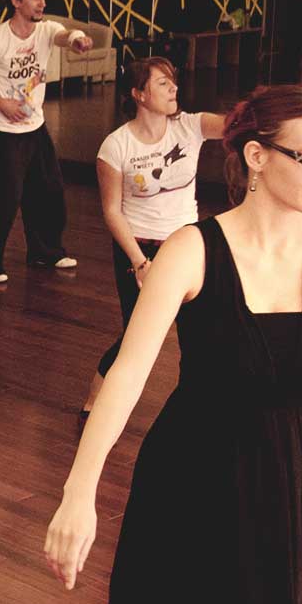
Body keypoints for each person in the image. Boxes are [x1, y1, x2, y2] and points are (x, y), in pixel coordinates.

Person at [44, 84, 302, 604]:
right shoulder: (192, 251)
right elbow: (127, 375)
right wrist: (78, 492)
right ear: (257, 156)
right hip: (202, 480)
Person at [80, 57, 225, 415]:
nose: (174, 87)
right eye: (162, 83)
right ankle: (94, 401)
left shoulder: (189, 126)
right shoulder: (116, 145)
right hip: (140, 247)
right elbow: (112, 211)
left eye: (173, 80)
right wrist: (139, 262)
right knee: (137, 335)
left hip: (187, 245)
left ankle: (198, 407)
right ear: (139, 94)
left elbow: (234, 125)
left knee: (202, 331)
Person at [0, 0, 94, 285]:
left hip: (35, 127)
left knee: (49, 191)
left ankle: (45, 252)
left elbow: (66, 35)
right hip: (3, 131)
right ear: (16, 1)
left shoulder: (46, 30)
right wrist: (0, 102)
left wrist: (78, 39)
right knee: (2, 200)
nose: (41, 3)